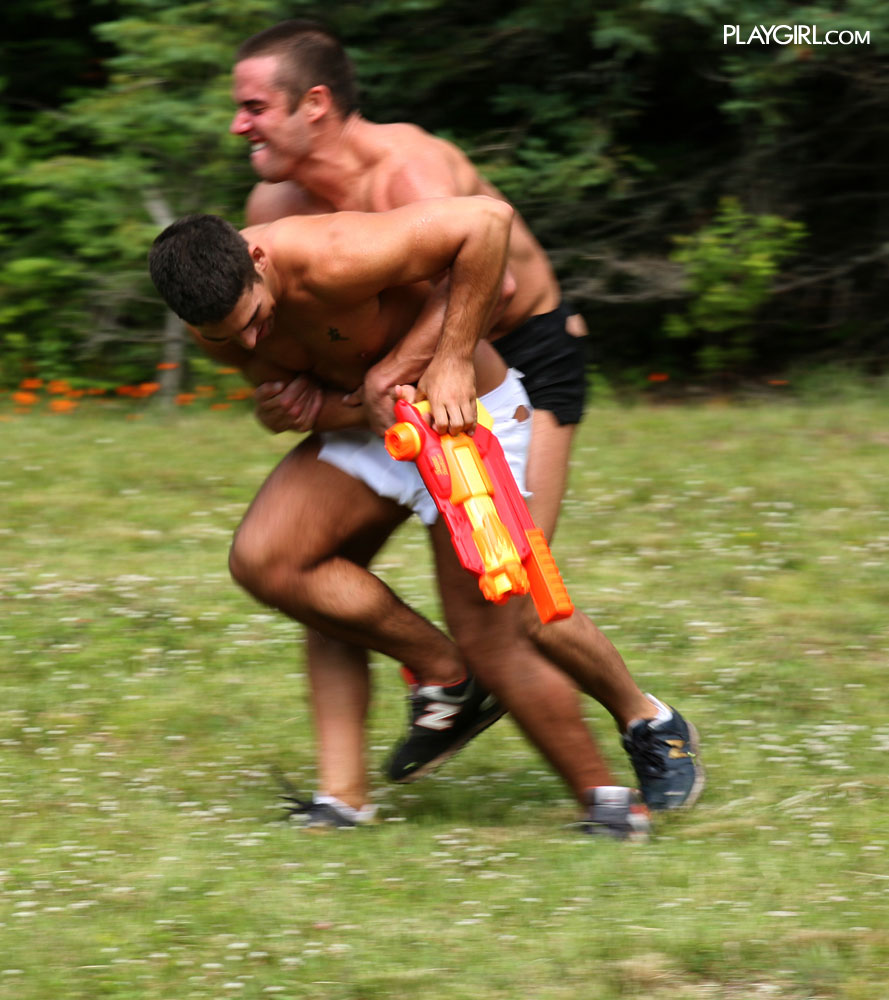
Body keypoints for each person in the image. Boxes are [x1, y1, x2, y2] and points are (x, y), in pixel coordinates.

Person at [223, 19, 704, 814]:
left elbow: (493, 288)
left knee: (517, 600)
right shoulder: (275, 206)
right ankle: (365, 772)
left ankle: (648, 721)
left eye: (254, 107)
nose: (238, 126)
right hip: (403, 395)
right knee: (321, 572)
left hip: (517, 365)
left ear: (314, 104)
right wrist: (291, 395)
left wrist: (400, 371)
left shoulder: (406, 172)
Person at [149, 198, 651, 839]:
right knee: (269, 560)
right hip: (375, 429)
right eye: (229, 336)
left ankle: (609, 802)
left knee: (493, 629)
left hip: (466, 415)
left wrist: (447, 358)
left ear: (259, 259)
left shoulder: (336, 253)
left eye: (251, 320)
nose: (248, 341)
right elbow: (319, 397)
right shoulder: (215, 321)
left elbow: (487, 223)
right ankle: (424, 701)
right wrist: (284, 412)